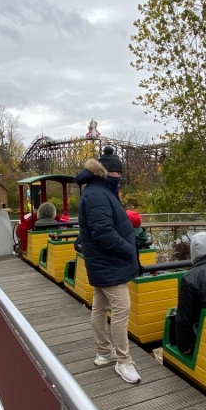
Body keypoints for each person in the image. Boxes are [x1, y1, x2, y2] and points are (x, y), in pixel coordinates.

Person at [76, 147, 141, 384]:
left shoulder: (97, 192)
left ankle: (104, 352)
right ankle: (124, 361)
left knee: (100, 307)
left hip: (103, 264)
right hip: (109, 264)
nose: (120, 179)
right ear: (108, 173)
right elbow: (103, 233)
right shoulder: (97, 195)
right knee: (122, 309)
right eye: (118, 174)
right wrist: (129, 250)